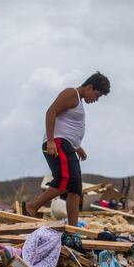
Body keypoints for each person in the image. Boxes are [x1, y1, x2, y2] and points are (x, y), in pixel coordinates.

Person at [24, 71, 110, 229]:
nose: (96, 100)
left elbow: (67, 127)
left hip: (67, 145)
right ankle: (33, 206)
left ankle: (73, 229)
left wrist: (77, 147)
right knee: (66, 179)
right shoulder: (72, 93)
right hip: (57, 143)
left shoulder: (79, 101)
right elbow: (51, 112)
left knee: (76, 187)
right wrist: (50, 140)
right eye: (97, 95)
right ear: (90, 87)